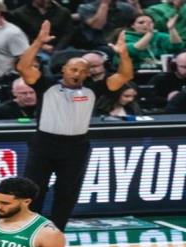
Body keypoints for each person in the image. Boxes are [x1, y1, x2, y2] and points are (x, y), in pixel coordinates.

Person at [16, 20, 133, 231]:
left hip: (75, 146)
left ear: (88, 74)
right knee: (34, 190)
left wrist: (123, 54)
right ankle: (30, 229)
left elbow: (125, 76)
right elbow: (23, 67)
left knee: (67, 192)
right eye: (73, 69)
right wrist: (38, 43)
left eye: (82, 70)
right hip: (44, 143)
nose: (77, 74)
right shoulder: (47, 85)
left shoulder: (94, 89)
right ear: (64, 69)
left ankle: (56, 231)